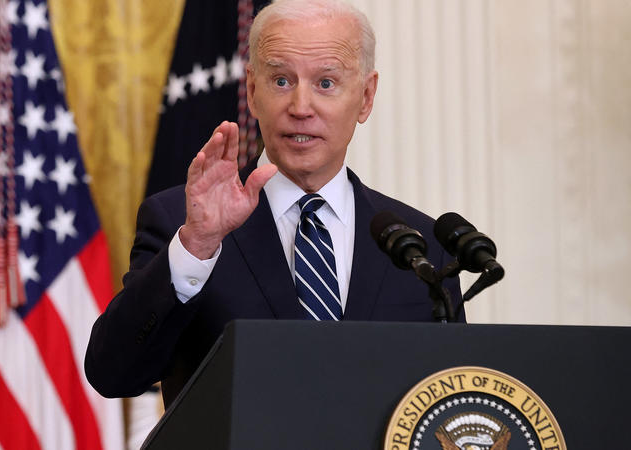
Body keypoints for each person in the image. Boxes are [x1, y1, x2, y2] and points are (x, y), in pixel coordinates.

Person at [85, 0, 464, 407]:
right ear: (252, 90)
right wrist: (197, 246)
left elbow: (451, 402)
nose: (300, 108)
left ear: (366, 96)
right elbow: (115, 373)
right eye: (281, 81)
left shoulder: (421, 245)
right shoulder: (182, 224)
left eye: (325, 83)